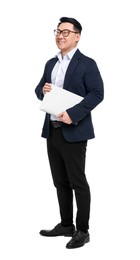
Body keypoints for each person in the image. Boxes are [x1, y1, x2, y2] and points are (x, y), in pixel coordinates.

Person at [35, 17, 104, 249]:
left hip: (74, 131)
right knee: (60, 182)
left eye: (66, 31)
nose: (60, 35)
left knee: (78, 183)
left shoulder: (87, 64)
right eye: (57, 31)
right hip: (52, 131)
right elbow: (38, 90)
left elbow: (97, 93)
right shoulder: (50, 63)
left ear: (77, 36)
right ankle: (66, 225)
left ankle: (83, 230)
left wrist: (73, 114)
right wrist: (43, 89)